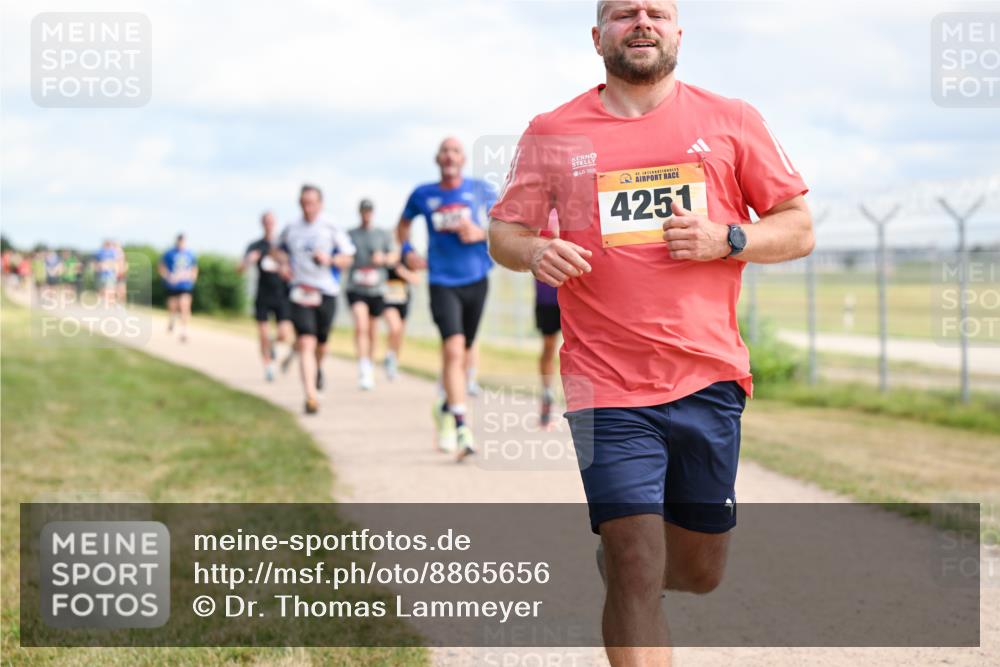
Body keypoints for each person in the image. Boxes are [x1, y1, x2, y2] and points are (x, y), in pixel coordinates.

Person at [487, 1, 814, 664]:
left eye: (656, 12)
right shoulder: (552, 131)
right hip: (604, 383)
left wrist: (728, 238)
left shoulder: (732, 120)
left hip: (707, 375)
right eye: (623, 13)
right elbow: (504, 232)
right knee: (636, 558)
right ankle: (625, 562)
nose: (641, 22)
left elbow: (799, 226)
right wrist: (535, 250)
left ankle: (631, 564)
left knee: (696, 570)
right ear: (597, 36)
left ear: (677, 32)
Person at [397, 137, 497, 460]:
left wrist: (480, 233)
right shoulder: (423, 194)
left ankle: (444, 407)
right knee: (453, 349)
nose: (450, 156)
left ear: (463, 159)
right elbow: (402, 227)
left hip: (477, 279)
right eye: (445, 151)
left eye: (455, 151)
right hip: (441, 281)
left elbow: (505, 225)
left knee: (464, 354)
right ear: (437, 159)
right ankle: (462, 425)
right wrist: (407, 251)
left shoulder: (480, 189)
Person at [276, 184, 355, 414]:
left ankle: (317, 368)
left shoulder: (331, 226)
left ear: (320, 204)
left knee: (321, 344)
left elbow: (348, 257)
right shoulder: (291, 227)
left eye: (312, 203)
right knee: (305, 342)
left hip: (326, 291)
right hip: (300, 290)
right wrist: (283, 264)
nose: (308, 208)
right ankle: (310, 396)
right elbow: (277, 250)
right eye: (304, 203)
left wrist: (330, 260)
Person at [345, 199, 394, 391]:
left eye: (369, 211)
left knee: (373, 330)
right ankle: (363, 366)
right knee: (361, 324)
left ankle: (370, 365)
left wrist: (383, 258)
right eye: (364, 211)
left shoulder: (382, 234)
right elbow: (343, 254)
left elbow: (393, 256)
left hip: (376, 289)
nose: (366, 214)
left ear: (373, 213)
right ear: (359, 213)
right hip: (356, 287)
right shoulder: (351, 234)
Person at [240, 211, 294, 382]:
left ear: (275, 223)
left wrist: (286, 271)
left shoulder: (284, 245)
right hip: (263, 295)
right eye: (266, 222)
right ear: (262, 223)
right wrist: (249, 260)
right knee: (263, 333)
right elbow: (239, 269)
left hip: (282, 295)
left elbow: (293, 270)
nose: (269, 225)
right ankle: (268, 366)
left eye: (271, 221)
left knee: (284, 334)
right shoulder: (255, 246)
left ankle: (272, 344)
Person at [381, 241, 424, 381]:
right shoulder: (389, 254)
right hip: (388, 300)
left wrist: (403, 272)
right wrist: (390, 258)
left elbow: (416, 279)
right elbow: (382, 262)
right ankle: (389, 355)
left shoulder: (408, 260)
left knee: (399, 334)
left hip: (403, 301)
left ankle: (393, 363)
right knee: (395, 328)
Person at [159, 234, 198, 343]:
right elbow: (161, 267)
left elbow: (194, 268)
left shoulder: (190, 254)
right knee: (172, 307)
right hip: (172, 285)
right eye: (180, 241)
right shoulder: (169, 253)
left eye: (183, 241)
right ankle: (172, 319)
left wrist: (192, 279)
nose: (181, 243)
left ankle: (184, 331)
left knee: (184, 305)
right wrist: (168, 277)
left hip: (185, 285)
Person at [95, 240, 119, 306]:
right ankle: (102, 301)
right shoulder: (100, 252)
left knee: (110, 288)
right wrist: (99, 267)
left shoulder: (112, 252)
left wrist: (116, 271)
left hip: (110, 274)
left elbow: (115, 263)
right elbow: (97, 262)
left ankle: (109, 302)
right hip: (102, 274)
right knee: (102, 288)